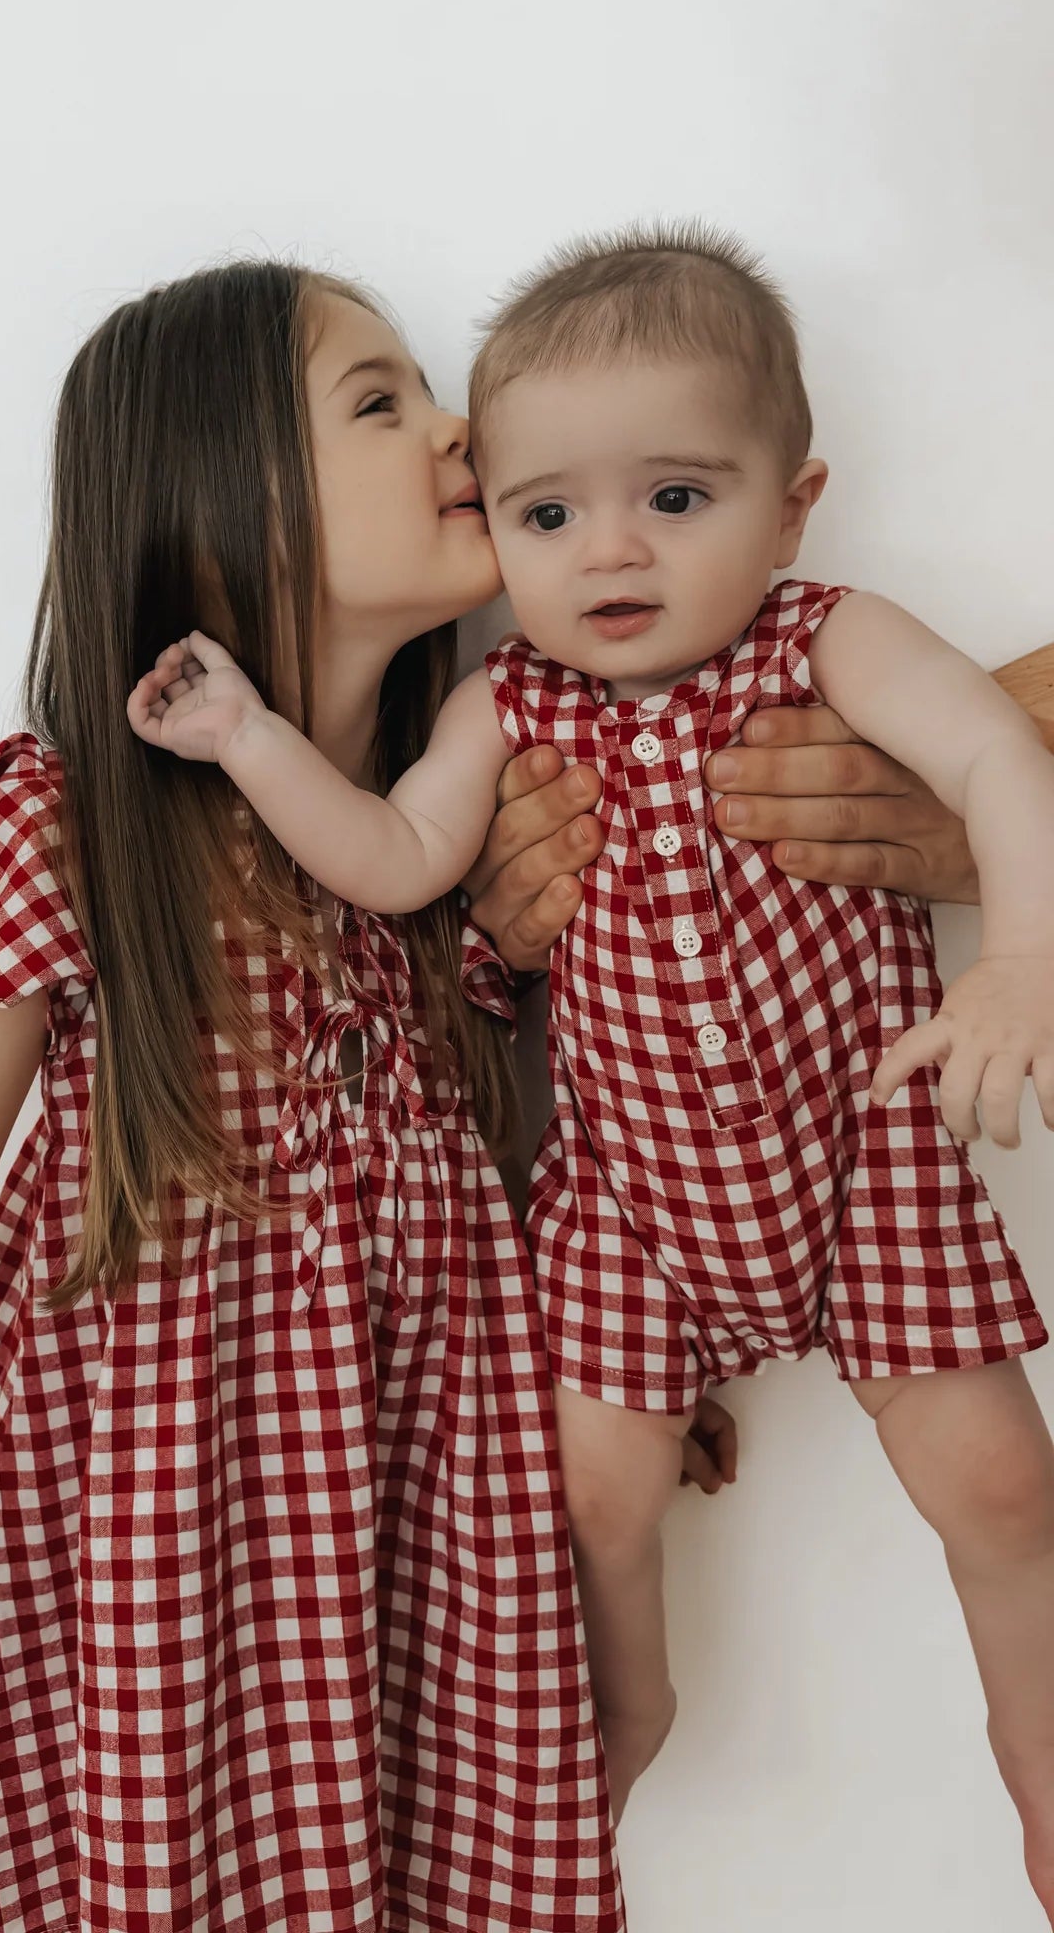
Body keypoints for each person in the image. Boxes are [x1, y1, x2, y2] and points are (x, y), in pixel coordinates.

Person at [0, 259, 669, 1933]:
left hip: (421, 1548)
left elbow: (599, 1142)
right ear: (215, 511)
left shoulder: (461, 846)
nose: (462, 428)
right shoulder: (82, 829)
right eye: (380, 398)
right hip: (155, 1550)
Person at [127, 225, 1054, 1914]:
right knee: (592, 1489)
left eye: (677, 501)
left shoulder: (822, 638)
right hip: (627, 1206)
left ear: (793, 503)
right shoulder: (511, 701)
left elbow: (998, 754)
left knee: (1002, 1483)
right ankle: (623, 1705)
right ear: (503, 536)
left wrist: (1025, 962)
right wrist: (249, 737)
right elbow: (402, 860)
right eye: (549, 515)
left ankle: (1039, 1748)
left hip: (864, 1162)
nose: (609, 549)